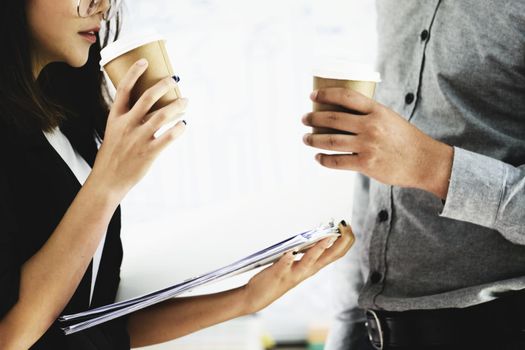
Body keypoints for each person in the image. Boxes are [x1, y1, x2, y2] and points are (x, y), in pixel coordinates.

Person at [0, 0, 355, 349]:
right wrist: (107, 184)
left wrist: (247, 298)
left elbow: (95, 324)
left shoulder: (68, 125)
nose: (102, 5)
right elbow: (10, 336)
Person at [302, 1, 525, 349]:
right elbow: (375, 170)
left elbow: (407, 156)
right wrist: (347, 325)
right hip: (375, 330)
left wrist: (431, 165)